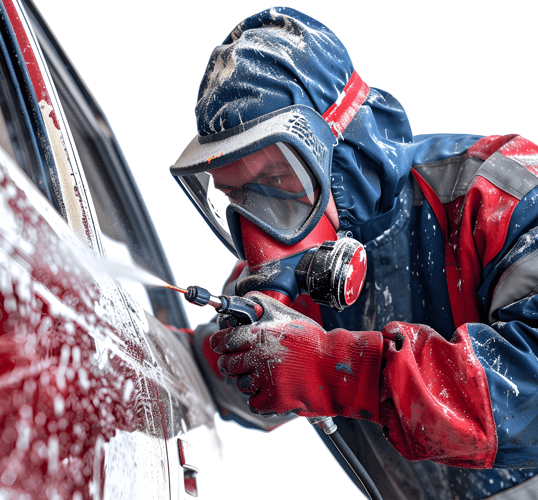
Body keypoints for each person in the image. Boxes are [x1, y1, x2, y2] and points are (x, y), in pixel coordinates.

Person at [170, 7, 538, 499]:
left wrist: (342, 371)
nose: (261, 230)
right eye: (239, 198)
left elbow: (527, 393)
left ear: (347, 147)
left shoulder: (501, 197)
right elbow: (214, 382)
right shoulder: (301, 275)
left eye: (277, 180)